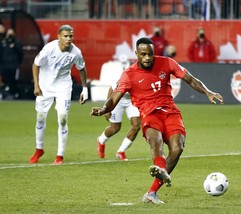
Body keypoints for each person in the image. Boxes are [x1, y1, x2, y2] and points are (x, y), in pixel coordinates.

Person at [90, 37, 224, 204]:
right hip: (149, 114)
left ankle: (152, 192)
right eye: (144, 54)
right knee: (156, 141)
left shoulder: (167, 63)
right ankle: (160, 168)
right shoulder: (129, 75)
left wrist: (208, 92)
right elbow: (114, 98)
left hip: (170, 112)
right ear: (136, 54)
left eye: (150, 54)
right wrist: (104, 109)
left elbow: (190, 79)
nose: (147, 58)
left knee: (177, 148)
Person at [29, 24, 88, 165]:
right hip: (45, 86)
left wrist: (84, 89)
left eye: (71, 36)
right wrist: (36, 85)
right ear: (59, 37)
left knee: (62, 119)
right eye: (66, 36)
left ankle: (60, 155)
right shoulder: (49, 48)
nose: (69, 39)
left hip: (63, 87)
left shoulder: (76, 52)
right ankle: (39, 149)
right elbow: (35, 64)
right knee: (40, 118)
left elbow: (82, 69)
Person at [97, 55, 141, 161]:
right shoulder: (125, 76)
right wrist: (107, 108)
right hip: (118, 99)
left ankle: (121, 151)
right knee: (115, 128)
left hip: (131, 101)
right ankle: (101, 140)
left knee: (137, 125)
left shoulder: (142, 77)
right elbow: (112, 89)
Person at [0, 28, 24, 99]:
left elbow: (20, 54)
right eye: (8, 34)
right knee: (4, 80)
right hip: (4, 65)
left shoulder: (17, 43)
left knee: (13, 80)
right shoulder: (4, 42)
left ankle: (13, 94)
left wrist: (18, 62)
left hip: (14, 66)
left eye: (11, 34)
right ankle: (4, 93)